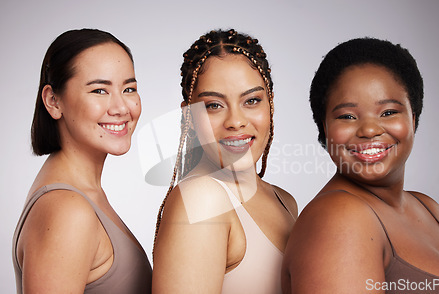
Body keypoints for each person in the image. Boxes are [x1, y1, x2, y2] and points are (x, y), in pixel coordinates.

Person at [282, 38, 439, 293]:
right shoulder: (338, 217)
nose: (370, 130)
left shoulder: (428, 209)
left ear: (413, 118)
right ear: (325, 127)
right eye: (347, 116)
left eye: (388, 112)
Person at [152, 29, 298, 293]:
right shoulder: (201, 199)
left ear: (270, 104)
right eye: (214, 105)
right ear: (190, 115)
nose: (236, 122)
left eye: (252, 101)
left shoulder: (285, 201)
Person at [12, 29, 152, 293]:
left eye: (129, 88)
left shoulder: (83, 194)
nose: (122, 107)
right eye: (100, 90)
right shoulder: (68, 209)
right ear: (53, 101)